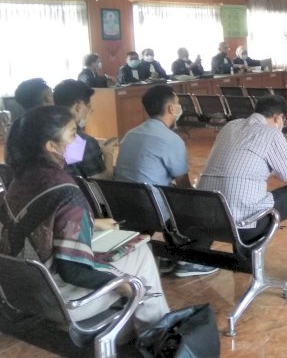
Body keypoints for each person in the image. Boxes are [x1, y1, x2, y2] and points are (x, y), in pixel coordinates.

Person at [0, 105, 169, 334]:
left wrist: (93, 223)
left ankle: (128, 329)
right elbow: (74, 271)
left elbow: (39, 220)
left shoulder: (19, 180)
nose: (78, 139)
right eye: (72, 134)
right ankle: (159, 333)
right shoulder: (66, 190)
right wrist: (122, 285)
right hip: (60, 302)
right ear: (51, 146)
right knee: (139, 253)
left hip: (18, 293)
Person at [198, 94, 287, 284]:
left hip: (207, 220)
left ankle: (244, 260)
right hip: (242, 227)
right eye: (283, 121)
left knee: (240, 193)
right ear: (279, 118)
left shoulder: (230, 126)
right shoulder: (272, 134)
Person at [114, 85, 217, 278]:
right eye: (178, 104)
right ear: (171, 109)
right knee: (205, 203)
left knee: (166, 195)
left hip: (124, 207)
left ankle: (172, 253)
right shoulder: (170, 139)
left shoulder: (130, 134)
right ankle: (188, 258)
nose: (179, 108)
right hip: (152, 210)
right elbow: (184, 186)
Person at [53, 79, 106, 179]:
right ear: (78, 107)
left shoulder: (44, 132)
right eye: (89, 106)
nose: (90, 111)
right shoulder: (83, 141)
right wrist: (109, 154)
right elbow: (101, 181)